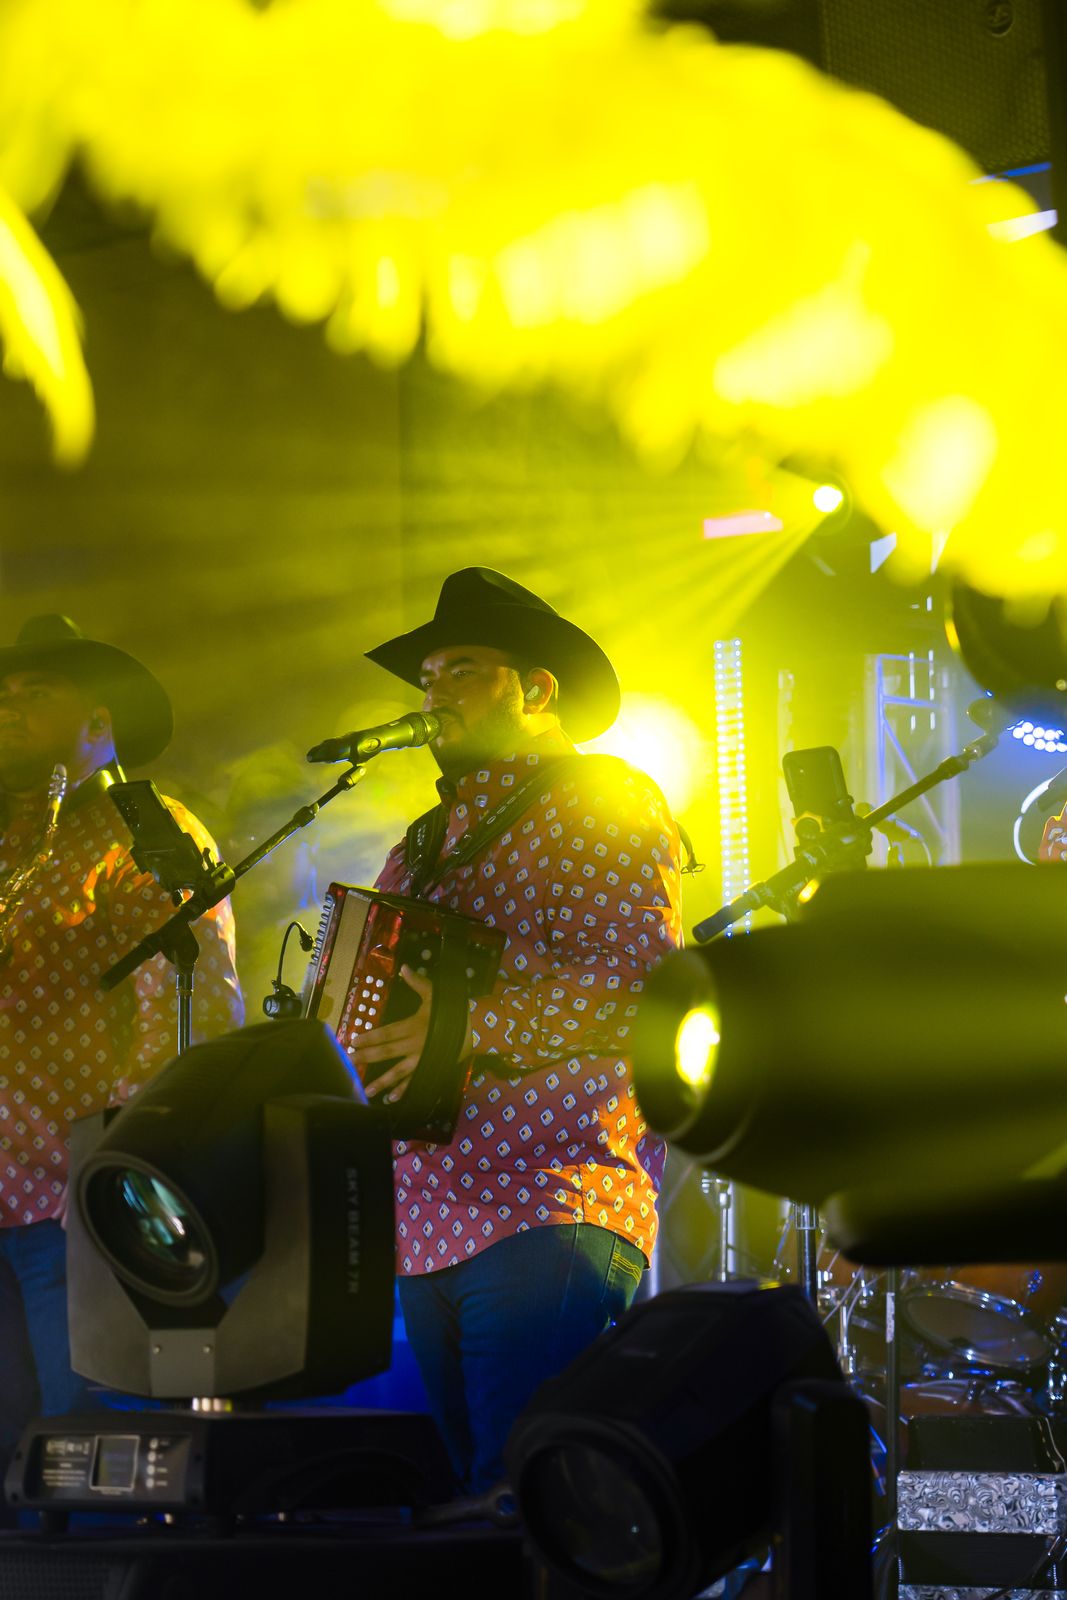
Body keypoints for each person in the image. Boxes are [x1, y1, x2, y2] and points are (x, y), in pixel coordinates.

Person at [352, 567, 684, 1493]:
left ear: (536, 689)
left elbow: (645, 987)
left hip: (547, 1197)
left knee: (526, 1494)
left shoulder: (603, 798)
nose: (432, 693)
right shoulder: (422, 838)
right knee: (469, 1499)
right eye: (428, 676)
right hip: (421, 1211)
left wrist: (468, 1025)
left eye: (461, 670)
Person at [0, 614, 243, 1473]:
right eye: (4, 693)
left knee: (85, 1443)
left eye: (35, 693)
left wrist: (131, 1158)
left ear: (98, 721)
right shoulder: (7, 835)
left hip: (72, 1193)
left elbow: (195, 1004)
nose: (9, 708)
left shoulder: (143, 829)